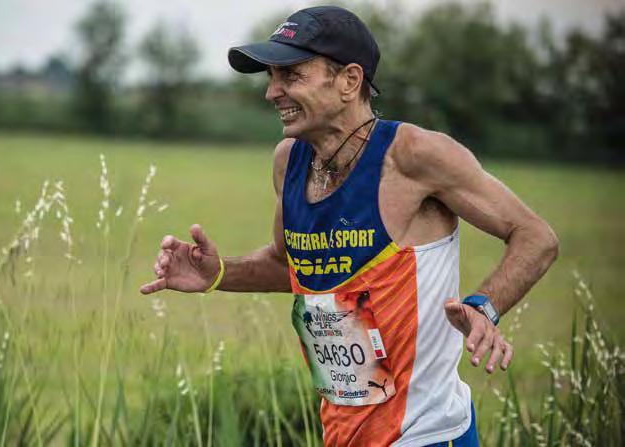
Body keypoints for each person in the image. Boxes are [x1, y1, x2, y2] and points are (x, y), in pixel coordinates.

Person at [140, 6, 558, 446]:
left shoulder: (413, 156)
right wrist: (217, 273)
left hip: (427, 435)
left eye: (291, 75)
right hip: (343, 435)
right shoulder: (289, 160)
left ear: (349, 80)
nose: (271, 92)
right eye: (271, 77)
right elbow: (292, 266)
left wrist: (484, 306)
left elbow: (536, 237)